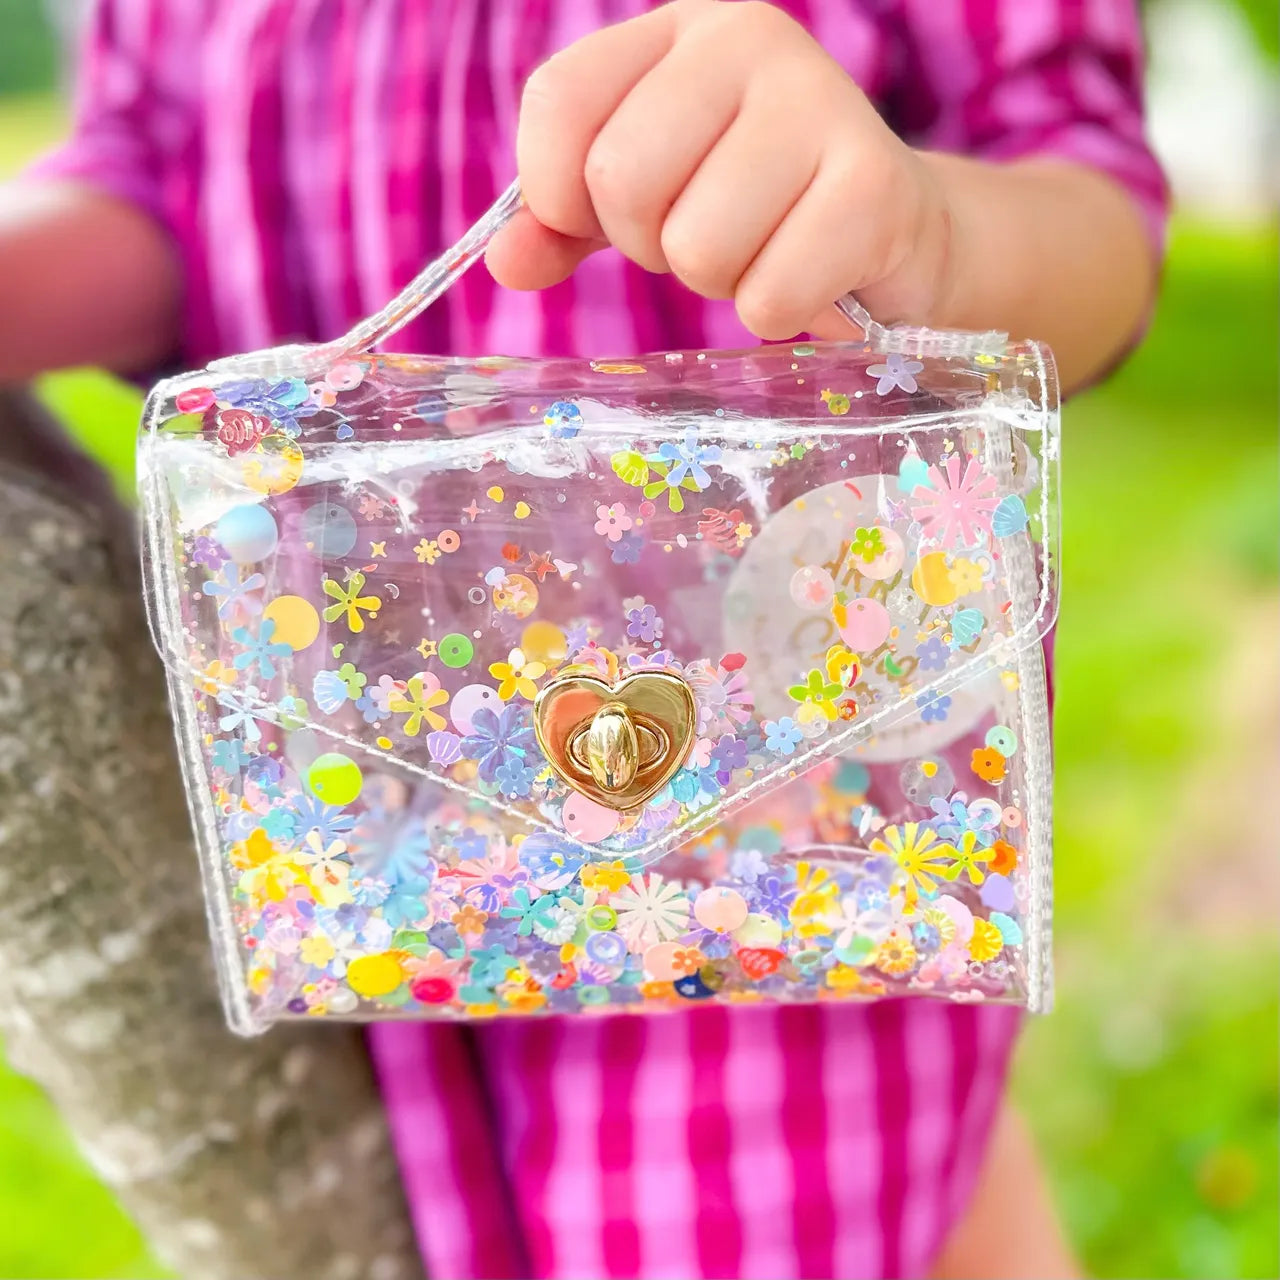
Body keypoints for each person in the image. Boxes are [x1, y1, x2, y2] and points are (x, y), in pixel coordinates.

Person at [1, 1, 1166, 1276]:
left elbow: (1086, 188)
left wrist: (930, 234)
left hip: (792, 906)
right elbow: (155, 169)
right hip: (359, 827)